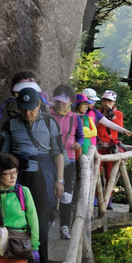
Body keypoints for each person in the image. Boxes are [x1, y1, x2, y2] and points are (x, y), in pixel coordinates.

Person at [0, 86, 64, 263]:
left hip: (43, 174)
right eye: (24, 108)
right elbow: (3, 154)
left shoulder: (50, 123)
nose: (28, 112)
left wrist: (60, 180)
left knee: (41, 217)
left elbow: (58, 153)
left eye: (31, 108)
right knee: (16, 216)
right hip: (17, 174)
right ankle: (17, 260)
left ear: (39, 104)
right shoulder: (11, 125)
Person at [51, 85, 82, 240]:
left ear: (71, 101)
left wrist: (79, 144)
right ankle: (48, 221)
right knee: (48, 192)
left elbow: (80, 136)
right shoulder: (47, 114)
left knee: (67, 195)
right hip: (50, 158)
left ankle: (64, 227)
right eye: (57, 101)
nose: (60, 104)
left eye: (63, 101)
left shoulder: (75, 118)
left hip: (69, 159)